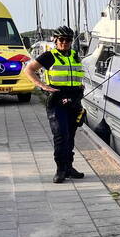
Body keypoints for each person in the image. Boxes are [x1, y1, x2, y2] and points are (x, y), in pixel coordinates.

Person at [25, 26, 85, 183]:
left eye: (68, 40)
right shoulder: (49, 56)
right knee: (60, 137)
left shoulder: (75, 55)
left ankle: (69, 167)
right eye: (62, 40)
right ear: (55, 40)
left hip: (74, 101)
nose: (65, 43)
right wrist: (42, 86)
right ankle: (60, 170)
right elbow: (29, 70)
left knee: (70, 136)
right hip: (57, 102)